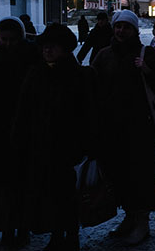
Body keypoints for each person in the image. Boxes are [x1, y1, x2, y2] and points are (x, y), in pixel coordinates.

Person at [92, 9, 155, 246]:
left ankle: (142, 223)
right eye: (118, 26)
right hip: (112, 126)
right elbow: (92, 84)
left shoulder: (145, 53)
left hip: (140, 127)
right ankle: (129, 218)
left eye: (126, 27)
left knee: (141, 175)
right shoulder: (104, 55)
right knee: (119, 175)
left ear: (134, 30)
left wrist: (146, 69)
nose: (121, 31)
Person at [13, 23, 96, 251]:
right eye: (45, 47)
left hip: (66, 147)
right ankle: (57, 234)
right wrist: (20, 138)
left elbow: (86, 112)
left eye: (53, 47)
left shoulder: (77, 75)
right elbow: (24, 109)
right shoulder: (36, 73)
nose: (47, 51)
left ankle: (70, 236)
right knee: (47, 192)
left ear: (65, 49)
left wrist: (86, 145)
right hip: (39, 144)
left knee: (66, 195)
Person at [0, 17, 39, 250]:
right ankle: (6, 228)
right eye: (3, 39)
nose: (8, 44)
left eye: (12, 40)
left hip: (24, 129)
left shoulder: (31, 57)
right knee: (0, 184)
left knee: (22, 182)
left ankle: (22, 228)